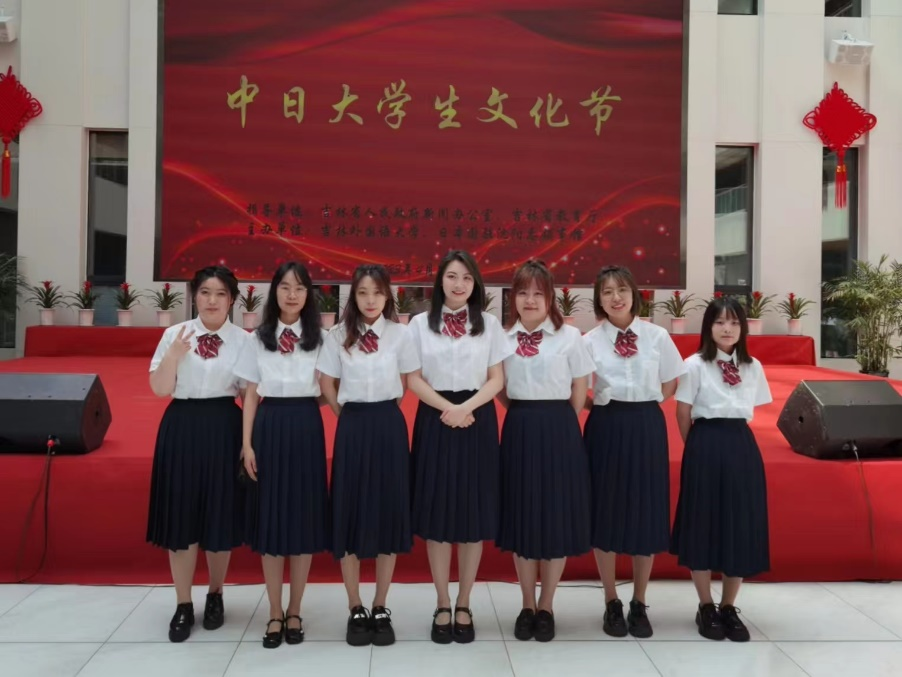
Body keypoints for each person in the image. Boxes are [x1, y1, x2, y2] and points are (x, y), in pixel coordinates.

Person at [407, 250, 510, 644]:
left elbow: (497, 378)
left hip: (477, 417)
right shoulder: (419, 324)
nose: (459, 284)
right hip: (435, 417)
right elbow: (413, 378)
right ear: (440, 281)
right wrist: (447, 408)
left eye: (467, 278)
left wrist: (466, 408)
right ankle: (442, 602)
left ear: (475, 284)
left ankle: (464, 602)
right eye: (452, 276)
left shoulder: (489, 324)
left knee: (472, 513)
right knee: (437, 512)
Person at [147, 265, 250, 643]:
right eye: (205, 292)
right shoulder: (174, 334)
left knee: (219, 515)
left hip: (225, 427)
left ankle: (216, 594)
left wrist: (249, 441)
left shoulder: (244, 341)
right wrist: (174, 355)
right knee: (182, 516)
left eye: (220, 293)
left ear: (232, 300)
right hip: (182, 426)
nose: (211, 300)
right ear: (194, 296)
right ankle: (183, 603)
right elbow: (160, 388)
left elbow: (249, 395)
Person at [317, 263, 418, 647]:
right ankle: (355, 605)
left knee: (388, 510)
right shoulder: (337, 335)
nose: (370, 300)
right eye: (362, 292)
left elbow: (407, 382)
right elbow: (327, 383)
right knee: (351, 508)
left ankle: (380, 605)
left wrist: (383, 413)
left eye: (377, 292)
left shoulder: (400, 334)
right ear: (353, 296)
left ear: (387, 295)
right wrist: (346, 415)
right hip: (353, 425)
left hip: (389, 424)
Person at [582, 265, 685, 638]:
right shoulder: (589, 340)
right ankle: (611, 600)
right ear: (599, 299)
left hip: (645, 425)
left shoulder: (657, 336)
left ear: (634, 294)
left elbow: (672, 380)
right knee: (606, 508)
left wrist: (650, 400)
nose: (616, 297)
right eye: (607, 291)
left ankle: (639, 601)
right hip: (606, 425)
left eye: (622, 289)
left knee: (646, 509)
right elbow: (577, 386)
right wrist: (598, 405)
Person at [496, 259, 594, 643]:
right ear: (513, 298)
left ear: (551, 297)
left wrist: (559, 421)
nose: (530, 300)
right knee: (523, 513)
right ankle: (526, 604)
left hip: (559, 428)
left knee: (554, 516)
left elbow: (580, 388)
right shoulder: (502, 339)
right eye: (523, 292)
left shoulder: (570, 337)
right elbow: (500, 388)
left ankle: (547, 605)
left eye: (539, 293)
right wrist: (524, 412)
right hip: (520, 425)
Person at [234, 262, 328, 648]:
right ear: (274, 291)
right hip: (268, 426)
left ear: (308, 295)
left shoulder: (321, 338)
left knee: (302, 520)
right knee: (271, 519)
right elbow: (250, 393)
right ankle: (274, 611)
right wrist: (247, 444)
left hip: (306, 426)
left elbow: (329, 389)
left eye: (300, 288)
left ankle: (295, 610)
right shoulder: (257, 338)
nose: (292, 294)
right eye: (286, 287)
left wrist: (305, 408)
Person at [671, 296, 773, 642]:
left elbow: (754, 407)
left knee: (739, 522)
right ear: (708, 327)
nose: (727, 329)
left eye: (733, 322)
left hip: (741, 443)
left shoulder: (753, 366)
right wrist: (697, 447)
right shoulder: (694, 364)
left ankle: (729, 606)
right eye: (719, 322)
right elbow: (682, 412)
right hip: (705, 441)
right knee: (702, 521)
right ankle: (705, 605)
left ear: (742, 328)